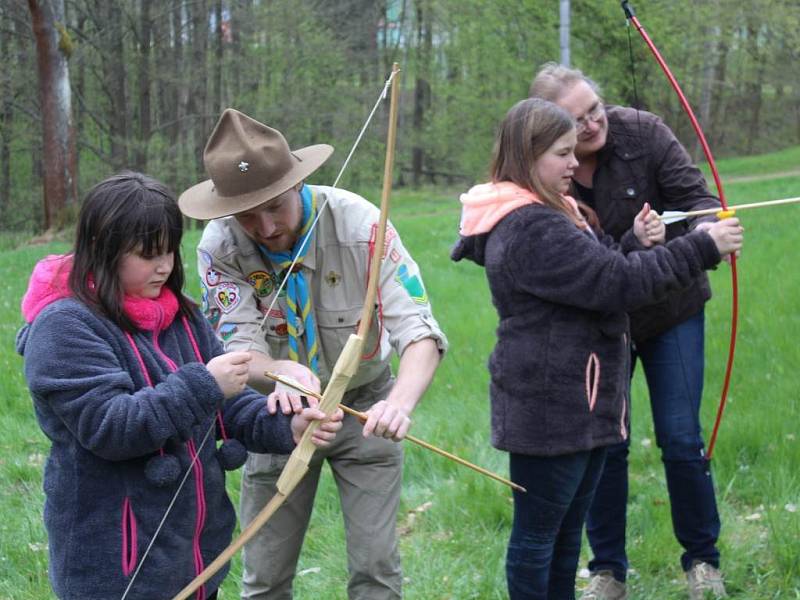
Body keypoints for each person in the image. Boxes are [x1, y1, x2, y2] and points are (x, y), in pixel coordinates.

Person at [450, 97, 743, 600]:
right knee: (539, 538)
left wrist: (633, 241)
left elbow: (594, 276)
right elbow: (615, 284)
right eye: (562, 153)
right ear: (528, 154)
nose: (573, 162)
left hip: (577, 404)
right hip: (551, 407)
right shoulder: (529, 225)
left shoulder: (553, 211)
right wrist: (700, 246)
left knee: (565, 536)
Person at [15, 172, 343, 600]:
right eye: (147, 254)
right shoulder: (64, 326)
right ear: (103, 249)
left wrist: (288, 427)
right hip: (114, 563)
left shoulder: (180, 314)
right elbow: (111, 427)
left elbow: (226, 408)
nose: (165, 265)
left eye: (169, 249)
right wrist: (204, 383)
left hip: (192, 555)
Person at [178, 108, 448, 600]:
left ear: (296, 182)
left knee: (376, 573)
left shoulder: (363, 223)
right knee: (264, 578)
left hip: (366, 407)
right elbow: (237, 349)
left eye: (275, 206)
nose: (264, 226)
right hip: (278, 416)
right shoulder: (218, 245)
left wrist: (399, 405)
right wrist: (281, 370)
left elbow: (420, 332)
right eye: (246, 213)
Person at [530, 63, 731, 600]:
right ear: (553, 130)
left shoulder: (644, 130)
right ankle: (608, 572)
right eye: (577, 120)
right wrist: (633, 241)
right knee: (605, 444)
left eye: (595, 109)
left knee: (682, 438)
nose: (594, 124)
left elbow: (699, 200)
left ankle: (703, 563)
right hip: (598, 324)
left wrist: (709, 228)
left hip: (671, 309)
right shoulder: (548, 168)